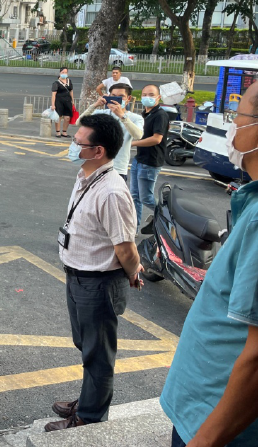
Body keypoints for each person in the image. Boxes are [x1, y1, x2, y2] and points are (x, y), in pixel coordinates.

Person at [160, 82, 258, 447]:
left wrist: (205, 440)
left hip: (217, 424)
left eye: (237, 116)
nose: (232, 126)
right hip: (205, 412)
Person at [45, 114, 143, 432]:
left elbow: (125, 247)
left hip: (99, 283)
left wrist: (133, 271)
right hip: (77, 275)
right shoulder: (86, 176)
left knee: (98, 354)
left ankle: (89, 417)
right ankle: (89, 400)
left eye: (78, 143)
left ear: (98, 151)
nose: (72, 146)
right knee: (86, 345)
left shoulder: (112, 192)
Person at [78, 83, 144, 182]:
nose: (116, 99)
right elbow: (79, 122)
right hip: (95, 166)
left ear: (128, 98)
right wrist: (95, 105)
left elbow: (138, 135)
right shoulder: (102, 114)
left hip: (118, 169)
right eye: (113, 96)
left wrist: (122, 116)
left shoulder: (135, 118)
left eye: (121, 96)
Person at [130, 84, 170, 228]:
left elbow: (156, 139)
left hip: (150, 162)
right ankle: (134, 228)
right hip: (139, 159)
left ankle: (169, 218)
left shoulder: (160, 115)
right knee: (135, 197)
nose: (148, 97)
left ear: (159, 97)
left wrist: (133, 143)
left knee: (146, 198)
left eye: (151, 95)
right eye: (145, 94)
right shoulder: (144, 115)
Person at [51, 67, 75, 138]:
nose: (64, 74)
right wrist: (53, 105)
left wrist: (72, 100)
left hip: (68, 101)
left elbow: (71, 91)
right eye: (63, 72)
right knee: (58, 117)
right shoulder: (56, 83)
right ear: (60, 73)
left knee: (67, 117)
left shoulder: (69, 81)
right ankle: (58, 131)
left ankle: (64, 131)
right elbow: (53, 94)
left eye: (66, 72)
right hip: (59, 101)